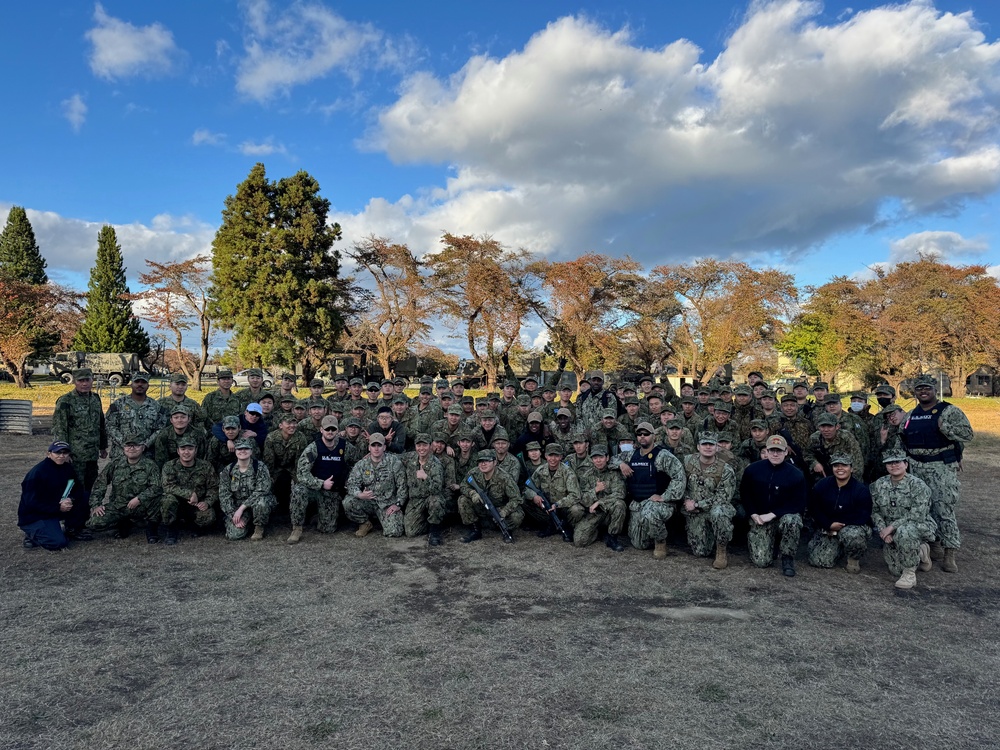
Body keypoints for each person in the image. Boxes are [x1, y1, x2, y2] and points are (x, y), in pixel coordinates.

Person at [900, 373, 974, 573]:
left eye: (927, 388)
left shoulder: (948, 411)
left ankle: (950, 551)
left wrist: (946, 428)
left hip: (940, 466)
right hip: (916, 466)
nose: (923, 392)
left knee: (943, 509)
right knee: (922, 508)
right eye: (919, 389)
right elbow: (902, 437)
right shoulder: (911, 415)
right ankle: (934, 544)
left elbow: (968, 434)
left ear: (935, 390)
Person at [614, 421, 685, 559]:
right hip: (638, 503)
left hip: (660, 503)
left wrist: (666, 496)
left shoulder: (662, 455)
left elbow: (679, 476)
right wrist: (621, 464)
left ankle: (660, 542)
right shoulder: (631, 454)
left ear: (654, 436)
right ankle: (652, 532)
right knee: (639, 544)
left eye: (646, 434)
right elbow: (611, 460)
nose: (642, 436)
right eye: (639, 434)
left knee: (650, 513)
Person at [739, 435, 807, 576]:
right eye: (772, 450)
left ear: (786, 452)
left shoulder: (796, 474)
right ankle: (772, 543)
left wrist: (773, 514)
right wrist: (753, 514)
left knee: (792, 520)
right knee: (761, 562)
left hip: (781, 516)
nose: (775, 454)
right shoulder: (752, 470)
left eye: (779, 451)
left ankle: (787, 558)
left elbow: (799, 503)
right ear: (766, 451)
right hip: (760, 518)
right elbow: (745, 494)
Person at [288, 415, 360, 544]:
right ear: (321, 430)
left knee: (328, 529)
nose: (330, 432)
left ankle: (318, 516)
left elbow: (357, 464)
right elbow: (302, 473)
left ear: (337, 430)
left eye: (333, 429)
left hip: (332, 491)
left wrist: (348, 479)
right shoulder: (313, 448)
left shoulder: (345, 447)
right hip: (314, 489)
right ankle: (297, 528)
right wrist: (321, 483)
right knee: (298, 491)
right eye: (327, 429)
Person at [869, 451, 936, 589]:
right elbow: (874, 511)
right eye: (890, 463)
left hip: (918, 525)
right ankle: (921, 551)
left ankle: (909, 574)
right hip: (890, 530)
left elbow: (918, 514)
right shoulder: (878, 485)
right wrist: (883, 530)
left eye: (897, 462)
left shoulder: (918, 485)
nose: (894, 465)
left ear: (905, 464)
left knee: (905, 532)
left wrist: (892, 527)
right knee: (895, 570)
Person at [87, 434, 164, 543]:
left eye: (136, 445)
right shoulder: (115, 464)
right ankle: (123, 522)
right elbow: (100, 484)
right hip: (119, 506)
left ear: (142, 448)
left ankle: (151, 528)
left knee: (160, 500)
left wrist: (139, 498)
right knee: (94, 523)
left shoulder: (150, 465)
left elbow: (157, 487)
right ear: (124, 448)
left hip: (141, 506)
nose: (132, 448)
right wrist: (96, 504)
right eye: (128, 446)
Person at [806, 453, 872, 573]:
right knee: (819, 561)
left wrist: (840, 525)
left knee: (854, 536)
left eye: (844, 465)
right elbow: (813, 508)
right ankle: (838, 549)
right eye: (836, 465)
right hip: (828, 527)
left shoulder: (861, 490)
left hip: (850, 527)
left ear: (851, 468)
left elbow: (863, 516)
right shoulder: (822, 485)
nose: (840, 468)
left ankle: (853, 558)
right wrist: (828, 525)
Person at [680, 433, 737, 569]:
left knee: (720, 513)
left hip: (714, 508)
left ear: (717, 447)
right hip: (693, 510)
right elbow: (678, 483)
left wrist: (698, 504)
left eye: (711, 444)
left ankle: (721, 549)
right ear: (698, 446)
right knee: (701, 552)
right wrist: (687, 501)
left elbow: (723, 497)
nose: (708, 447)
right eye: (704, 444)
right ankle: (709, 537)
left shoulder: (726, 469)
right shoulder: (687, 462)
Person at [19, 441, 89, 550]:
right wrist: (58, 507)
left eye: (65, 453)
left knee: (85, 496)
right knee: (59, 543)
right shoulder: (37, 473)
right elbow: (31, 503)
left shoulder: (67, 468)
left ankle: (72, 528)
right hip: (36, 515)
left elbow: (78, 488)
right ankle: (32, 535)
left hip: (56, 509)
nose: (61, 456)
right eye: (57, 453)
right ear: (49, 454)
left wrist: (71, 499)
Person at [342, 432, 407, 538]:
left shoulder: (394, 462)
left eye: (379, 445)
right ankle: (365, 523)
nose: (376, 448)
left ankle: (384, 520)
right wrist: (360, 494)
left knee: (395, 531)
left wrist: (398, 504)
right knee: (348, 503)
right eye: (373, 445)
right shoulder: (362, 464)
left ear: (384, 447)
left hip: (387, 504)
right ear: (369, 447)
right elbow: (351, 484)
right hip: (368, 502)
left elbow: (402, 486)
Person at [52, 368, 108, 490]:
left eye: (87, 380)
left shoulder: (95, 398)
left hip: (92, 454)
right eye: (80, 380)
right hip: (75, 454)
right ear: (74, 382)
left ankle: (89, 508)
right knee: (75, 486)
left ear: (92, 380)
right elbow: (60, 428)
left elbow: (101, 423)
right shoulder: (66, 401)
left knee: (91, 486)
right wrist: (63, 452)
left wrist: (103, 446)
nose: (84, 383)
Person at [160, 434, 219, 544]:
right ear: (178, 451)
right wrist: (189, 494)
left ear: (195, 450)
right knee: (167, 501)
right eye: (183, 449)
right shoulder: (169, 466)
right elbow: (167, 486)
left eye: (190, 449)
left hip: (196, 505)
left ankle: (193, 525)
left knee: (208, 516)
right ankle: (171, 530)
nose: (186, 452)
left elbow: (214, 487)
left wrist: (207, 502)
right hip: (177, 503)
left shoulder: (206, 466)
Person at [567, 445, 627, 550]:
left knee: (619, 505)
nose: (598, 461)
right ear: (592, 459)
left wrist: (600, 502)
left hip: (609, 511)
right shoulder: (587, 475)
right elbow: (583, 499)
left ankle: (613, 537)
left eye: (601, 457)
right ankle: (598, 531)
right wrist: (595, 490)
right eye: (595, 458)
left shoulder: (614, 473)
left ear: (607, 458)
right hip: (594, 514)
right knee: (579, 541)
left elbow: (620, 493)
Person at [458, 449, 524, 543]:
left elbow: (516, 498)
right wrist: (472, 493)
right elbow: (463, 486)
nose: (483, 464)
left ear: (495, 462)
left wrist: (504, 511)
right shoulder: (473, 473)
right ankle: (475, 530)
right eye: (480, 461)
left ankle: (506, 530)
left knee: (517, 516)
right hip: (482, 509)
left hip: (499, 510)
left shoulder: (505, 478)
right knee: (463, 500)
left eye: (487, 461)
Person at [219, 438, 276, 541]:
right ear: (235, 451)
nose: (243, 451)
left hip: (255, 504)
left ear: (251, 451)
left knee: (261, 503)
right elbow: (224, 496)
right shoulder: (228, 470)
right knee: (234, 535)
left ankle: (259, 527)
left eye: (246, 448)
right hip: (237, 508)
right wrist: (233, 514)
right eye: (239, 449)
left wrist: (242, 508)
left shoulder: (260, 467)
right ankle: (246, 523)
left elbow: (262, 490)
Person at [523, 443, 581, 539]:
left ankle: (567, 526)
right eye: (550, 455)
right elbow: (527, 489)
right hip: (546, 507)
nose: (553, 459)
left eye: (556, 456)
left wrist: (557, 504)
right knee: (525, 501)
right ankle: (549, 524)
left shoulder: (568, 472)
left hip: (563, 508)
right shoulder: (540, 471)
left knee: (576, 510)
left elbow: (575, 496)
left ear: (561, 457)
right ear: (545, 456)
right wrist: (534, 496)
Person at [105, 372, 164, 460]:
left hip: (146, 456)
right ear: (131, 384)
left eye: (143, 382)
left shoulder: (156, 407)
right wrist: (125, 444)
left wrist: (145, 445)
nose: (140, 384)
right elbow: (110, 426)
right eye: (137, 382)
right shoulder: (118, 405)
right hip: (121, 455)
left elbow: (160, 429)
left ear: (148, 386)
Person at [401, 433, 447, 544]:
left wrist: (425, 477)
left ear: (430, 446)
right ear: (415, 446)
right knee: (410, 532)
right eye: (419, 445)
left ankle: (434, 531)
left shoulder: (435, 464)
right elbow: (395, 456)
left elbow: (437, 489)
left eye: (425, 445)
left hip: (430, 497)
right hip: (415, 500)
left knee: (435, 501)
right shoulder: (411, 458)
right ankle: (433, 520)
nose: (421, 448)